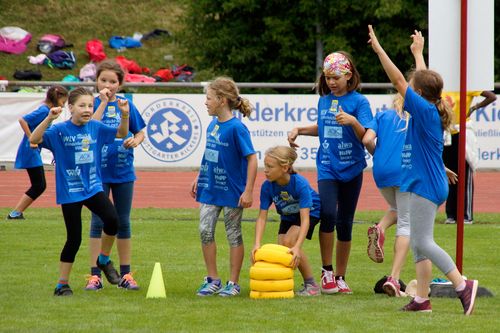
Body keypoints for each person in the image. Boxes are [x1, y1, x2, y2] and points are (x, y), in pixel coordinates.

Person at [368, 24, 478, 315]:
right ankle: (421, 301)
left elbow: (397, 80)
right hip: (427, 182)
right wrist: (418, 53)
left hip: (425, 185)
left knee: (423, 242)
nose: (409, 90)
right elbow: (421, 81)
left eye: (413, 88)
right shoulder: (430, 105)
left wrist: (379, 50)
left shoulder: (425, 110)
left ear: (418, 94)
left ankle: (462, 286)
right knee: (419, 244)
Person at [29, 87, 130, 296]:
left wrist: (125, 114)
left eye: (90, 105)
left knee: (113, 220)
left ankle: (103, 259)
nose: (87, 109)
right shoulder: (59, 131)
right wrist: (49, 118)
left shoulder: (95, 127)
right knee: (74, 238)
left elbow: (121, 132)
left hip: (93, 187)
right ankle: (62, 284)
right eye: (82, 105)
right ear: (70, 107)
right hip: (70, 191)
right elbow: (35, 138)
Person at [288, 51, 373, 294]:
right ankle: (327, 272)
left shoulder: (359, 102)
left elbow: (366, 136)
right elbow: (322, 127)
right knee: (327, 214)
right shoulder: (324, 101)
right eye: (327, 78)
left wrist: (353, 122)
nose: (331, 82)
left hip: (353, 168)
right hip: (327, 166)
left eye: (336, 77)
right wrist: (299, 130)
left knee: (345, 224)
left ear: (348, 75)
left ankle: (341, 276)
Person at [189, 76, 257, 297]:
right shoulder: (212, 124)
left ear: (222, 100)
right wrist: (199, 176)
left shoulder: (237, 128)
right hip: (210, 188)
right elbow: (210, 154)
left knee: (233, 234)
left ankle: (233, 283)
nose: (206, 102)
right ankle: (213, 279)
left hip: (232, 191)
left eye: (209, 98)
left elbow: (252, 159)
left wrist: (248, 191)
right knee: (205, 231)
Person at [85, 60, 145, 291]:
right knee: (97, 221)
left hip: (123, 171)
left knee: (123, 220)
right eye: (103, 80)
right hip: (96, 173)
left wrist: (135, 140)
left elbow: (139, 132)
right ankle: (94, 275)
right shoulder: (91, 104)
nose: (108, 85)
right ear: (96, 81)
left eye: (113, 81)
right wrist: (101, 102)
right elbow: (90, 127)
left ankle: (126, 274)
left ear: (120, 84)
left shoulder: (126, 104)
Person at [251, 146, 321, 296]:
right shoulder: (267, 187)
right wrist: (257, 243)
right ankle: (282, 284)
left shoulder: (299, 183)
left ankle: (312, 285)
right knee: (282, 246)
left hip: (311, 211)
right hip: (288, 214)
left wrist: (297, 246)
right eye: (265, 165)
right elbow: (262, 217)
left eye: (270, 166)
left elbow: (305, 219)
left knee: (290, 242)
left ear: (284, 167)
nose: (265, 170)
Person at [7, 85, 68, 220]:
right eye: (63, 102)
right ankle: (15, 213)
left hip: (33, 150)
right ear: (57, 98)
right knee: (39, 185)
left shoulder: (46, 110)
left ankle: (16, 213)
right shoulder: (43, 110)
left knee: (39, 185)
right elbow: (23, 120)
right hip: (30, 151)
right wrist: (31, 139)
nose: (63, 106)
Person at [442, 90, 496, 224]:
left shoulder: (468, 86)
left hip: (462, 132)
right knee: (450, 174)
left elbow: (492, 96)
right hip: (446, 133)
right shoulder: (443, 86)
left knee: (465, 173)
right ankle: (451, 214)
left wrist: (473, 108)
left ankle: (466, 215)